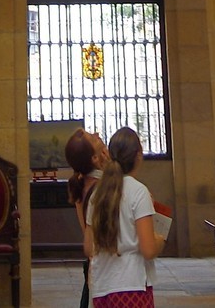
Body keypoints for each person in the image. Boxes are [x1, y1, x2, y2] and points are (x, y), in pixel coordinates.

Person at [85, 127, 162, 308]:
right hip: (132, 285)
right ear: (138, 156)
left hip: (102, 285)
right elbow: (148, 250)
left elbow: (89, 247)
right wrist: (160, 239)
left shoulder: (98, 194)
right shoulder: (139, 192)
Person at [65, 131, 107, 308]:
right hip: (106, 268)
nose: (97, 134)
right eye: (93, 138)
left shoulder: (82, 182)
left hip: (95, 267)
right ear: (95, 158)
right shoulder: (102, 189)